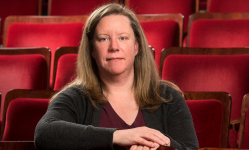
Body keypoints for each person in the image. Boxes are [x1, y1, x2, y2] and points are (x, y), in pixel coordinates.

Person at [34, 3, 199, 150]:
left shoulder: (167, 97)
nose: (114, 47)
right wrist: (118, 137)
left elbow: (190, 147)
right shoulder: (74, 97)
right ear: (92, 50)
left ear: (136, 47)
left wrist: (158, 145)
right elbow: (44, 133)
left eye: (123, 38)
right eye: (104, 39)